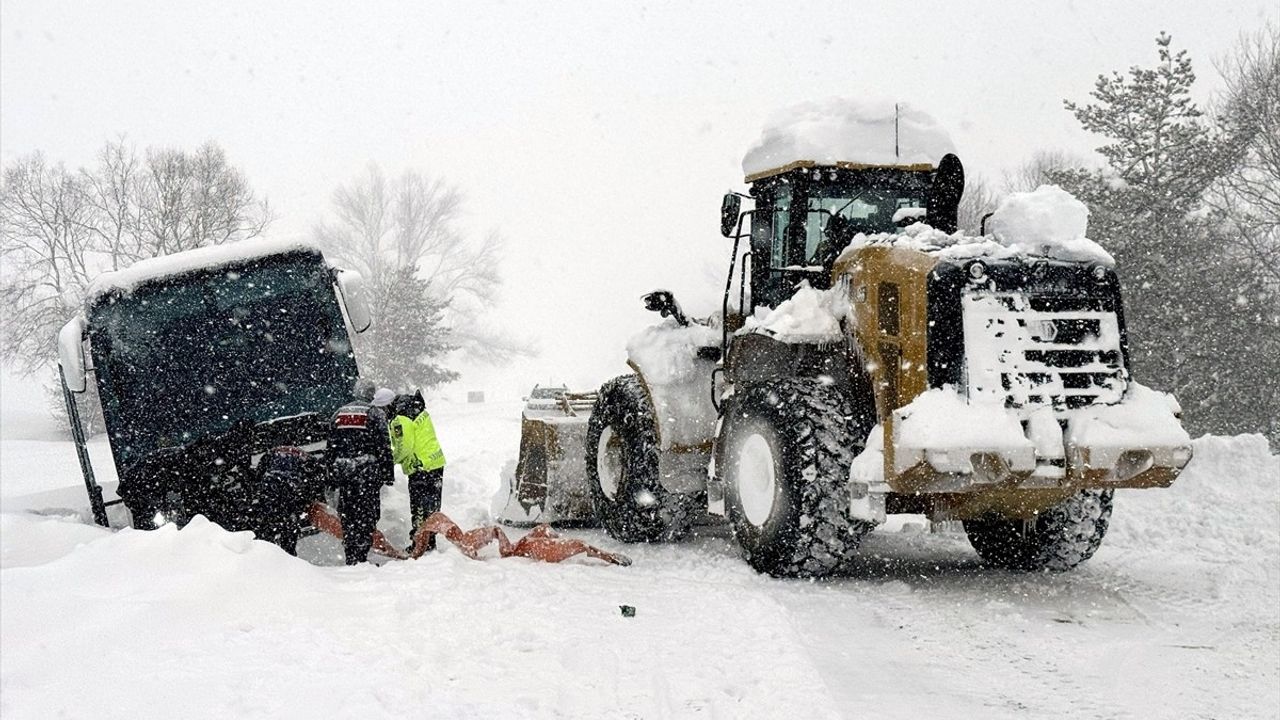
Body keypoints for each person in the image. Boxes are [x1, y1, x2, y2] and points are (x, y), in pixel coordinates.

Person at [325, 379, 395, 564]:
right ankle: (361, 555)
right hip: (367, 475)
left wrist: (331, 476)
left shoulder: (338, 414)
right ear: (371, 395)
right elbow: (384, 447)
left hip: (344, 474)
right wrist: (388, 474)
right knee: (367, 515)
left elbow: (331, 448)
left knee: (348, 514)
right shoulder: (374, 414)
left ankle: (351, 554)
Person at [404, 512, 631, 566]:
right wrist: (608, 556)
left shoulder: (533, 543)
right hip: (518, 548)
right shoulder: (534, 544)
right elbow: (579, 546)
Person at [389, 390, 446, 551]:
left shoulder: (401, 418)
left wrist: (391, 460)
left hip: (419, 467)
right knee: (432, 506)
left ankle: (420, 543)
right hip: (434, 463)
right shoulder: (419, 411)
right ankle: (430, 540)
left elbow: (404, 446)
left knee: (419, 506)